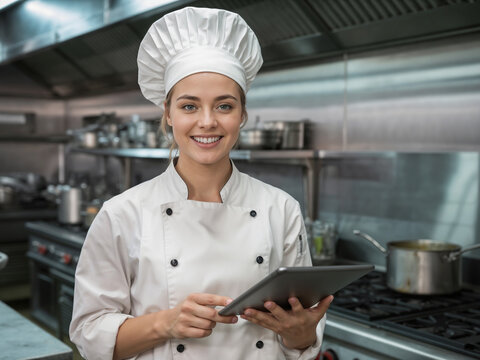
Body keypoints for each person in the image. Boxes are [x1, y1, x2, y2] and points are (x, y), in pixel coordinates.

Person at [69, 6, 332, 360]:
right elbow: (89, 335)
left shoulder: (280, 208)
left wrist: (301, 335)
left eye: (224, 106)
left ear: (243, 115)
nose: (207, 122)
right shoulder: (122, 214)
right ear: (168, 113)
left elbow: (301, 343)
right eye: (189, 106)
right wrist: (167, 323)